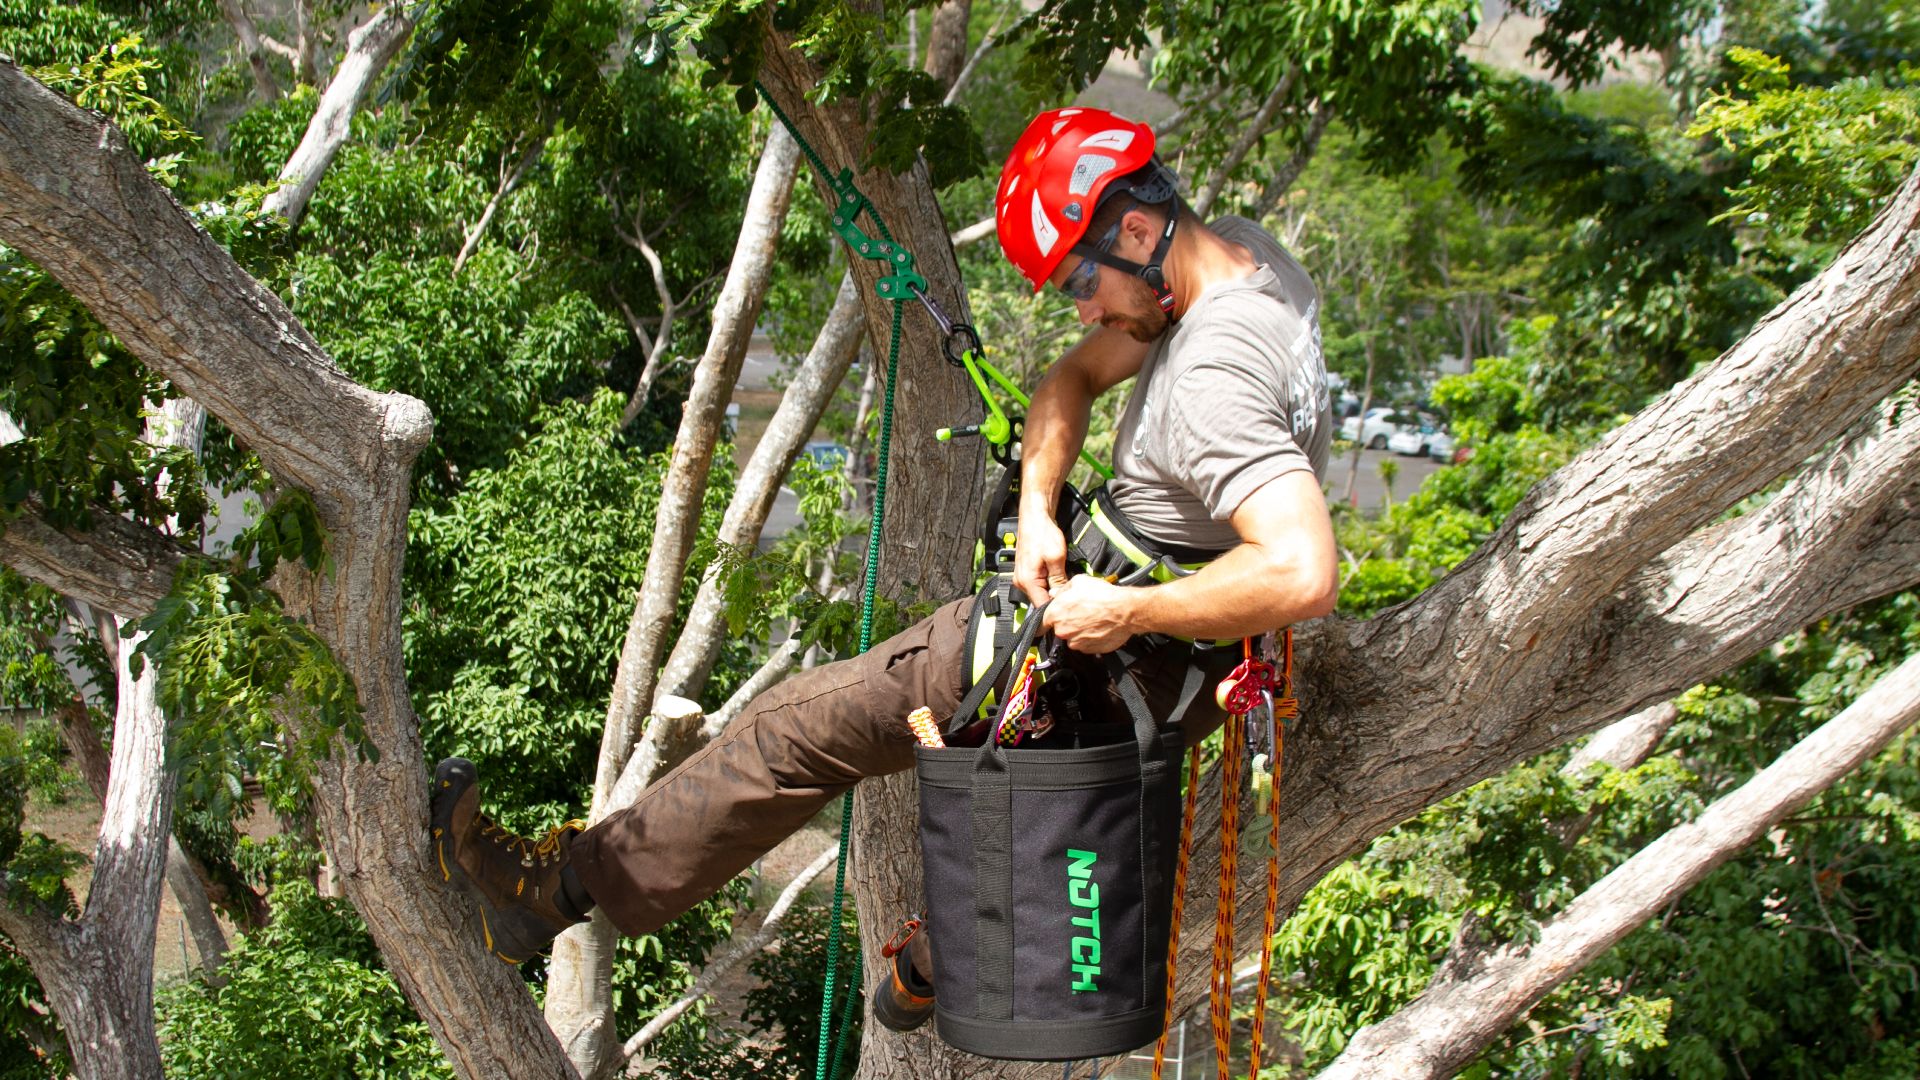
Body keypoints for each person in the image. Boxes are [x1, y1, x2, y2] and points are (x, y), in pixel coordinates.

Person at [430, 106, 1338, 1027]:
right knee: (1032, 807)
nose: (1085, 309)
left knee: (791, 732)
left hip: (1092, 650)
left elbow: (1303, 572)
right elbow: (1068, 379)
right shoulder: (1243, 262)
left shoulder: (1210, 374)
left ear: (1136, 231)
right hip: (1171, 677)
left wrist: (1123, 613)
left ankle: (544, 897)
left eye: (1078, 280)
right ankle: (932, 970)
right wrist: (1036, 510)